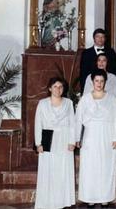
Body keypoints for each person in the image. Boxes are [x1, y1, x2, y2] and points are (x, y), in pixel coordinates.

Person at [75, 69, 116, 207]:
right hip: (90, 136)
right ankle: (90, 196)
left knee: (106, 166)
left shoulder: (112, 99)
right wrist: (77, 137)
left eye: (102, 81)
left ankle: (105, 196)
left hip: (107, 136)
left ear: (105, 82)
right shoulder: (85, 99)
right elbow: (78, 120)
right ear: (92, 82)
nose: (99, 84)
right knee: (90, 166)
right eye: (96, 81)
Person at [34, 77, 76, 209]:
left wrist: (72, 141)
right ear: (50, 88)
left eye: (61, 87)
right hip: (48, 138)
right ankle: (47, 202)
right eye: (55, 86)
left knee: (63, 170)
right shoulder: (42, 103)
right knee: (48, 170)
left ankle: (62, 201)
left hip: (64, 139)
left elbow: (72, 124)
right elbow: (37, 123)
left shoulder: (69, 103)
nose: (58, 89)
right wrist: (38, 143)